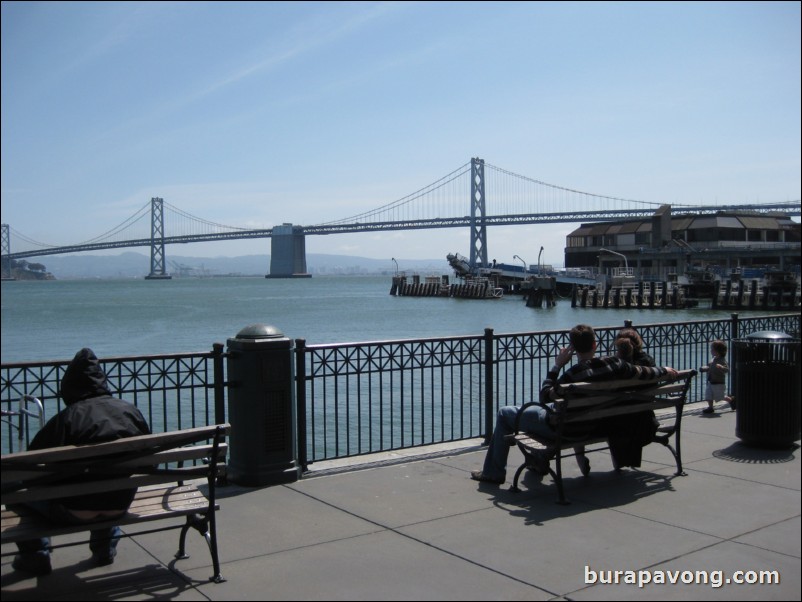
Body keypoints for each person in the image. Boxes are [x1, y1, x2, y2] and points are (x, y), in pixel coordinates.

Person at [471, 324, 677, 485]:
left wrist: (557, 365)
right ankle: (538, 461)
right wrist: (665, 370)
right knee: (550, 410)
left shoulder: (571, 375)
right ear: (595, 345)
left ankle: (494, 473)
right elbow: (645, 373)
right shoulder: (616, 364)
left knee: (505, 413)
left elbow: (545, 396)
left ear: (572, 349)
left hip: (563, 429)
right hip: (595, 426)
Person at [10, 348, 151, 576]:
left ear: (70, 386)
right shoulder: (129, 411)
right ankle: (104, 549)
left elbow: (29, 466)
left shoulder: (67, 419)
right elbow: (149, 462)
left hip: (72, 510)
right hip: (119, 504)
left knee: (17, 494)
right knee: (108, 479)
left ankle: (36, 554)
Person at [700, 340, 729, 414]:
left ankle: (731, 400)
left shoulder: (722, 360)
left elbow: (727, 370)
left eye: (712, 349)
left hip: (719, 382)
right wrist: (706, 368)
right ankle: (710, 407)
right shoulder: (713, 359)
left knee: (720, 397)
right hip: (711, 381)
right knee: (708, 395)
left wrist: (721, 367)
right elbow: (711, 367)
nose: (711, 351)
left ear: (718, 351)